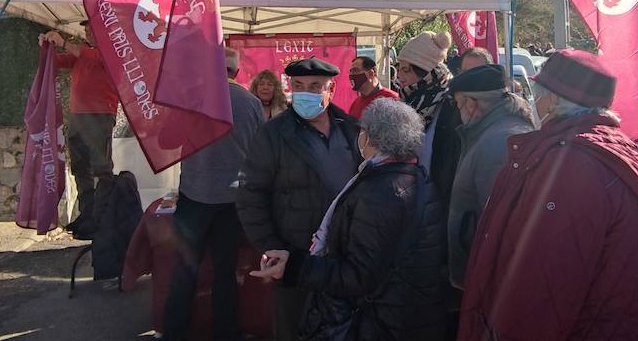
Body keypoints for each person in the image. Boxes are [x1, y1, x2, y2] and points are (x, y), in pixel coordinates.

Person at [457, 50, 638, 340]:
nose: (533, 101)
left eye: (537, 93)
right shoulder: (622, 151)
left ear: (552, 100)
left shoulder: (569, 165)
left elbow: (548, 284)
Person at [250, 99, 447, 340]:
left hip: (382, 321)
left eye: (362, 130)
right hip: (409, 313)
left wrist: (294, 267)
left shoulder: (380, 192)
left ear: (372, 137)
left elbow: (357, 277)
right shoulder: (416, 176)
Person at [237, 58, 362, 341]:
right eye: (299, 86)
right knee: (295, 329)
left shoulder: (352, 130)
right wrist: (272, 247)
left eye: (315, 86)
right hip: (295, 258)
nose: (306, 92)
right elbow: (250, 195)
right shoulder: (273, 134)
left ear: (331, 89)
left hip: (344, 259)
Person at [162, 48, 261, 341]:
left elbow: (165, 140)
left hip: (194, 196)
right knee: (225, 270)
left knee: (184, 269)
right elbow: (261, 152)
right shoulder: (251, 103)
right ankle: (226, 332)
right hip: (233, 200)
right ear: (236, 72)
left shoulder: (190, 101)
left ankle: (174, 331)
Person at [446, 64, 536, 288]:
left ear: (470, 103)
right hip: (480, 272)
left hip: (489, 280)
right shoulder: (490, 132)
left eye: (458, 104)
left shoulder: (500, 142)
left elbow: (505, 225)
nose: (458, 112)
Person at [40, 22, 121, 222]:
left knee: (101, 167)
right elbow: (56, 62)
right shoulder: (84, 52)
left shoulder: (111, 51)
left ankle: (103, 216)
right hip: (78, 116)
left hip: (100, 115)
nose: (86, 31)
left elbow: (87, 55)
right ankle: (88, 214)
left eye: (91, 28)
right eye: (85, 29)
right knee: (80, 166)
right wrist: (45, 47)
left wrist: (62, 42)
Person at [394, 31, 463, 205]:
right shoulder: (407, 102)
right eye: (399, 69)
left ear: (426, 73)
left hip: (440, 201)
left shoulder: (451, 105)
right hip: (410, 199)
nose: (399, 78)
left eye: (406, 70)